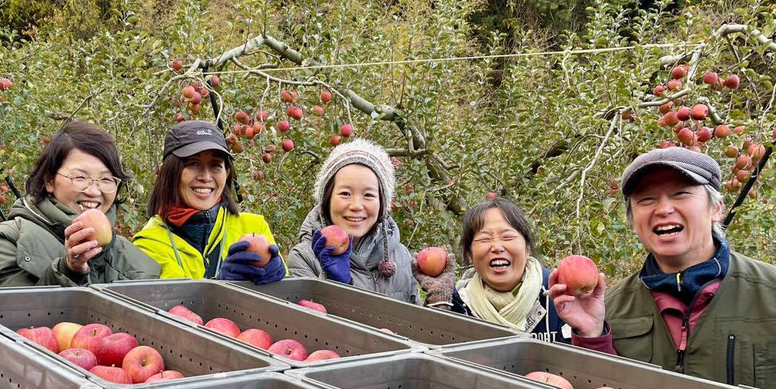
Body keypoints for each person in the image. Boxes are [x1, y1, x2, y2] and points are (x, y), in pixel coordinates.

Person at [550, 146, 776, 389]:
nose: (664, 209)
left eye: (681, 194)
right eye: (646, 199)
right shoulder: (610, 307)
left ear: (716, 208)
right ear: (633, 222)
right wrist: (591, 334)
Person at [0, 121, 160, 286]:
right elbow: (12, 312)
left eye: (106, 179)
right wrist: (68, 270)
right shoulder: (10, 240)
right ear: (49, 181)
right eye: (80, 177)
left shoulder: (133, 257)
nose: (93, 191)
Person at [133, 120, 286, 283]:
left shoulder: (254, 226)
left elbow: (286, 302)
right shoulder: (148, 245)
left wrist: (279, 282)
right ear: (169, 172)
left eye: (215, 165)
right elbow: (168, 304)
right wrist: (220, 287)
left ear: (227, 173)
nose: (206, 177)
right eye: (193, 164)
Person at [412, 197, 570, 342]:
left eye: (507, 237)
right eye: (484, 239)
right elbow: (433, 362)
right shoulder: (456, 303)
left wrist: (588, 331)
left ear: (527, 248)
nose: (496, 247)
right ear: (469, 255)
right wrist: (439, 304)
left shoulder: (558, 295)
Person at [287, 139, 418, 303]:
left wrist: (441, 300)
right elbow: (305, 325)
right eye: (345, 193)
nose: (356, 206)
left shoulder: (400, 256)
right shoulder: (304, 257)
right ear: (326, 199)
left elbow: (419, 325)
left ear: (382, 203)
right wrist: (334, 284)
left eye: (369, 195)